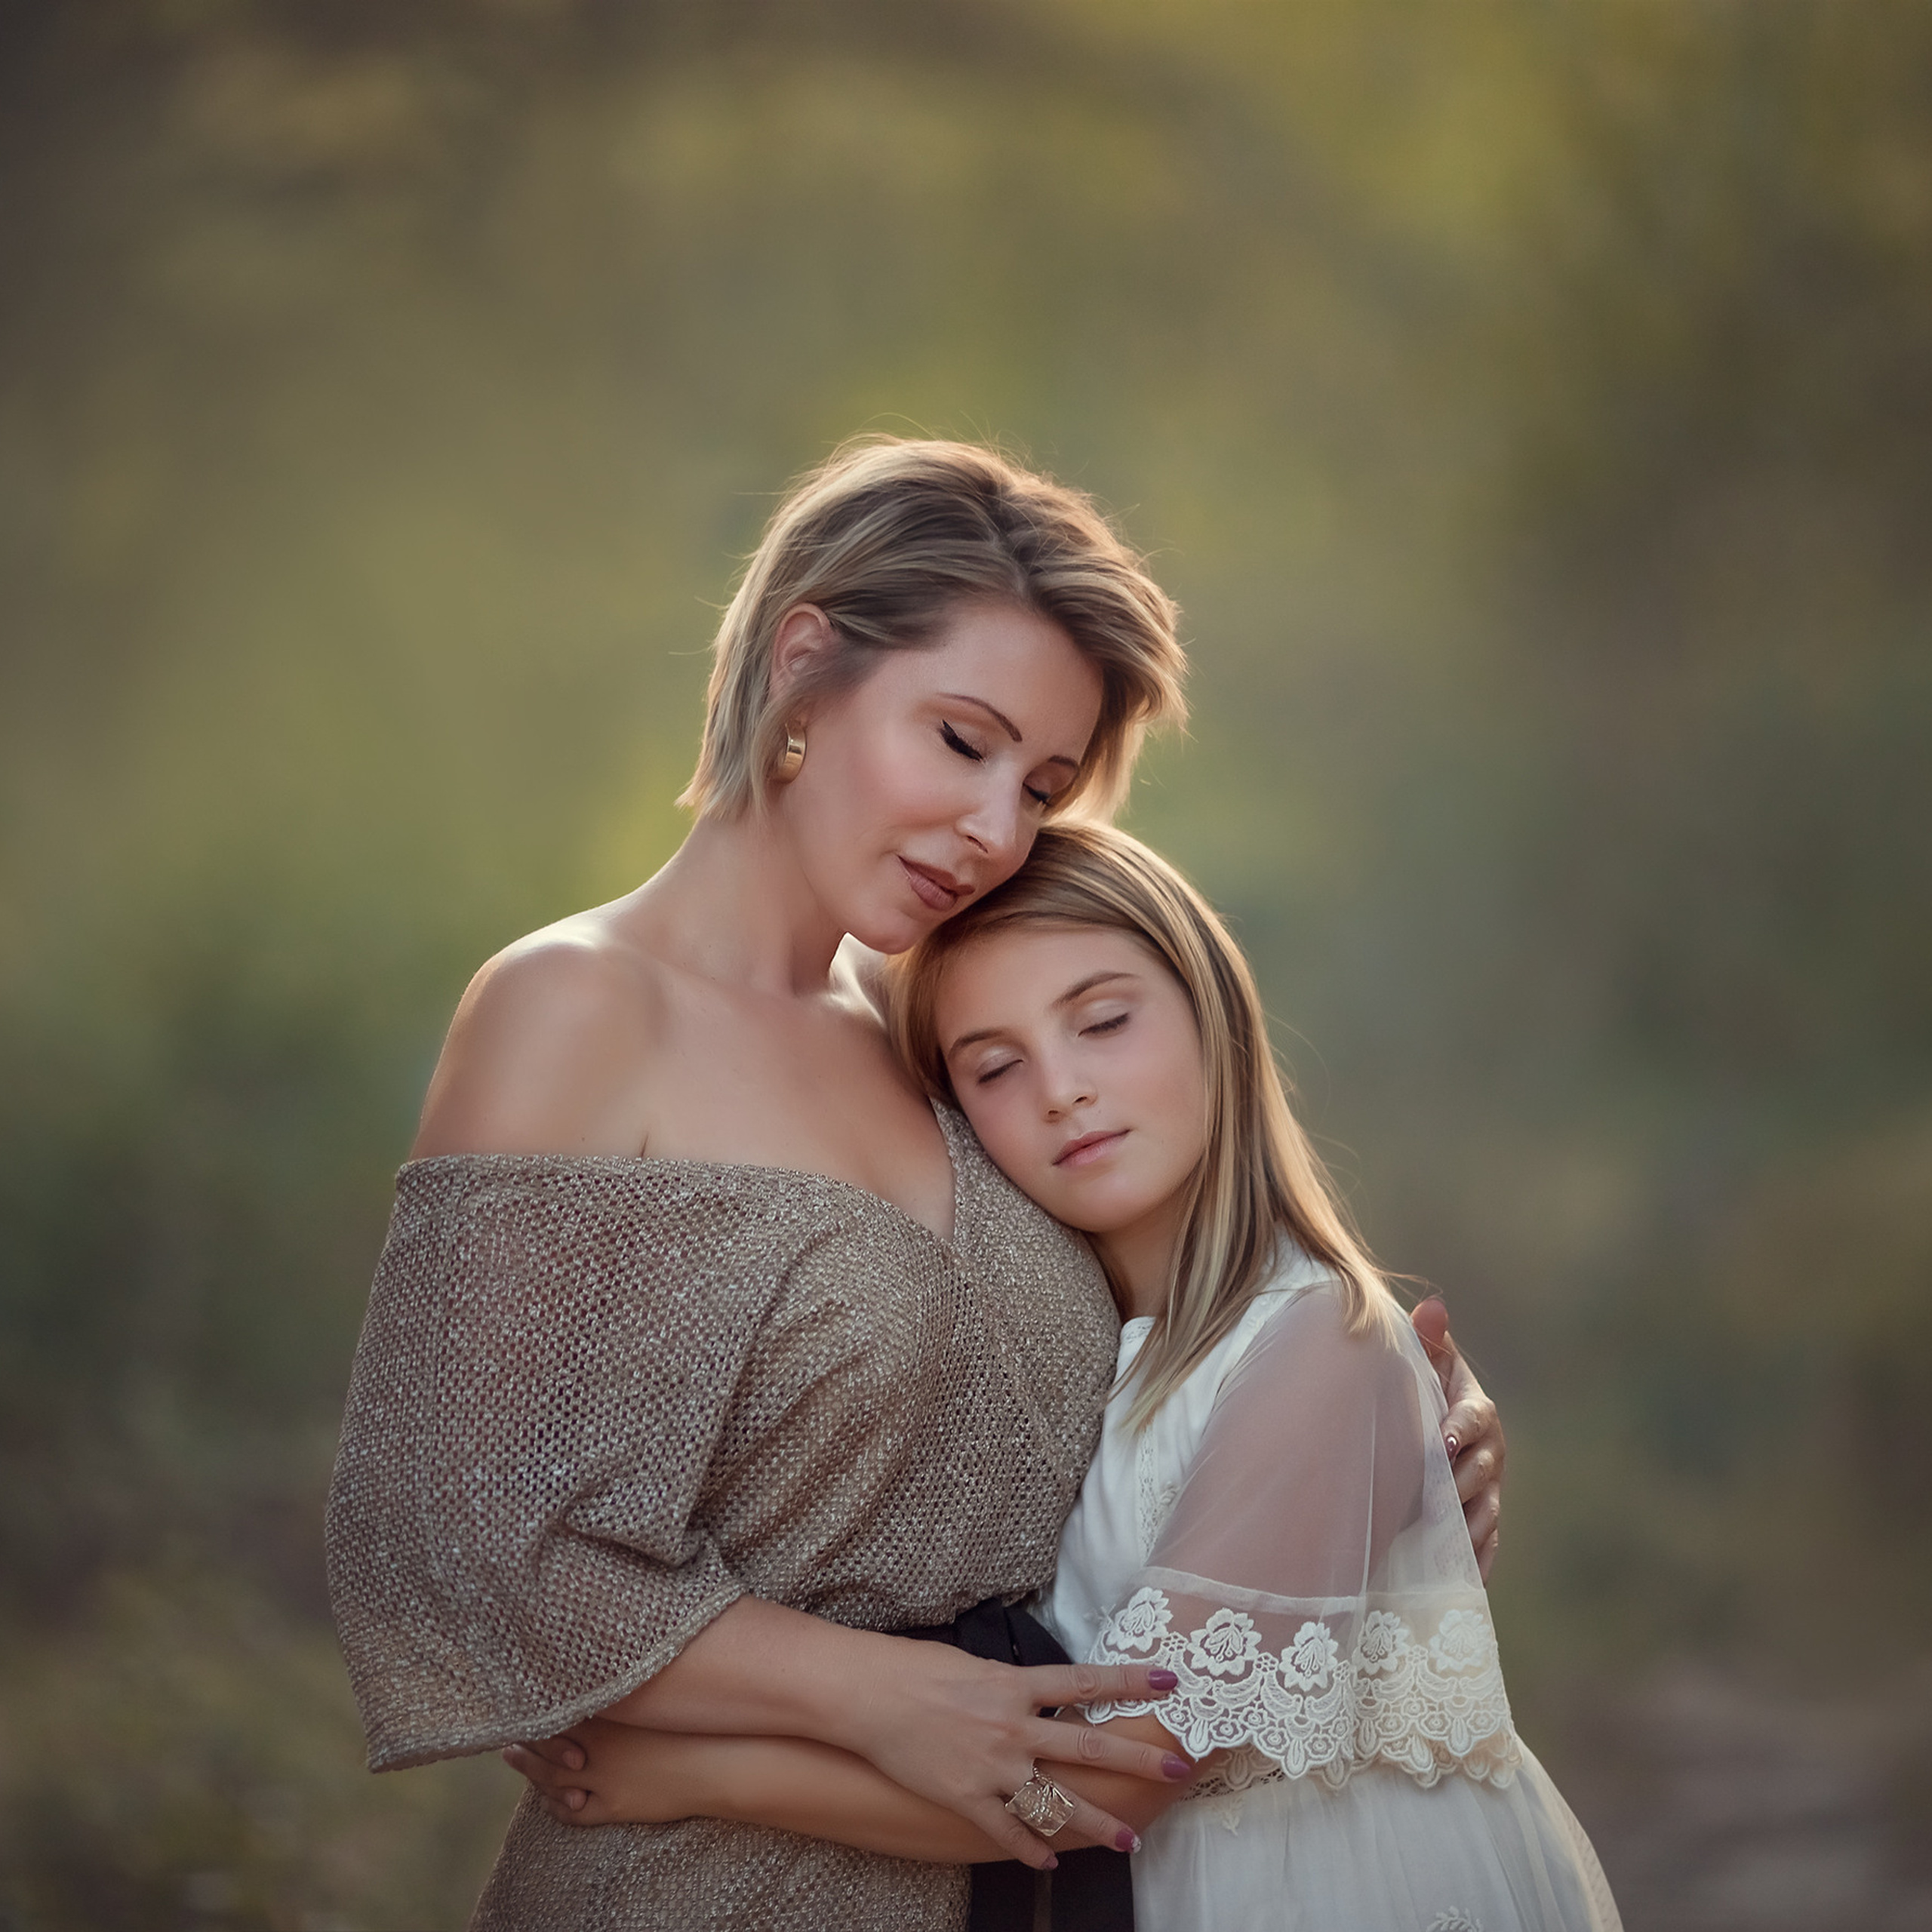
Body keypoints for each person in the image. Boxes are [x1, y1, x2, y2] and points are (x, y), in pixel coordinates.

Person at [327, 438, 1508, 1932]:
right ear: (803, 668)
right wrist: (874, 1692)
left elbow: (1171, 1343)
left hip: (1021, 1877)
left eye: (1041, 786)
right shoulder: (575, 1006)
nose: (996, 829)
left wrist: (1401, 1439)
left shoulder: (941, 1034)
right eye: (961, 740)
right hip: (696, 1880)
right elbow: (461, 1535)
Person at [509, 822, 1605, 1930]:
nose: (1063, 1090)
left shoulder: (1325, 1339)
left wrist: (696, 1776)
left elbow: (1121, 1780)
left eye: (1105, 1022)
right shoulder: (1083, 1359)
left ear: (1215, 1011)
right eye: (996, 1066)